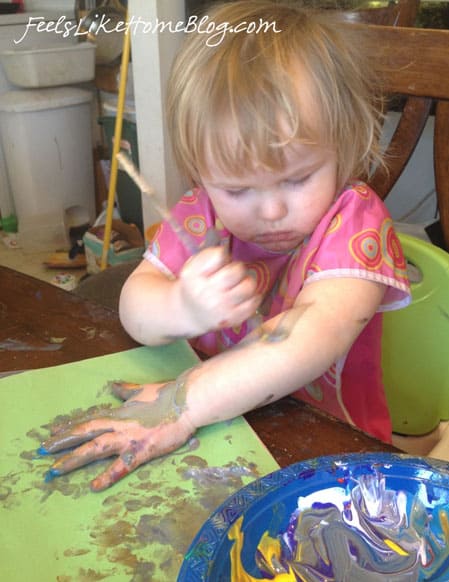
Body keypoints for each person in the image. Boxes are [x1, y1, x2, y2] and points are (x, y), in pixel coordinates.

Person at [40, 0, 411, 491]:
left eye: (298, 178)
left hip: (329, 456)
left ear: (344, 144)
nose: (271, 210)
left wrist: (180, 406)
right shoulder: (202, 214)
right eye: (237, 189)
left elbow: (303, 342)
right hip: (223, 430)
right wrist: (180, 305)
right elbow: (133, 305)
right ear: (201, 173)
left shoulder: (353, 220)